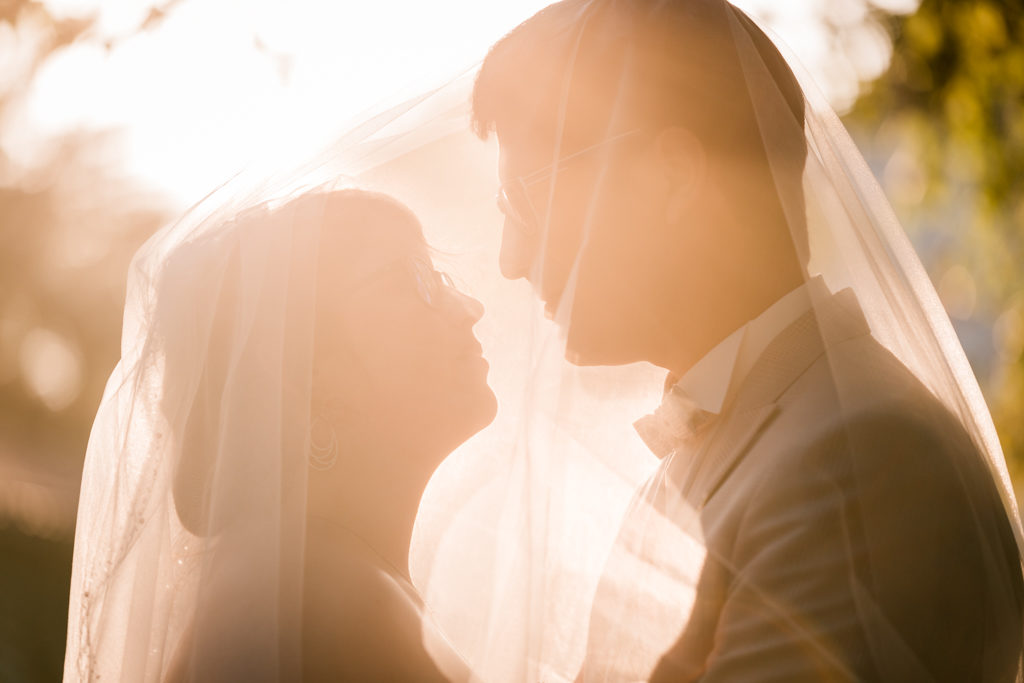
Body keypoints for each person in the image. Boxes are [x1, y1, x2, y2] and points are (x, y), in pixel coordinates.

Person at [471, 0, 1024, 680]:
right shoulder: (724, 445)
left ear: (673, 176)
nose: (509, 257)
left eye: (529, 201)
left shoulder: (859, 462)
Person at [64, 187, 493, 682]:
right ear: (306, 370)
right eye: (407, 280)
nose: (469, 307)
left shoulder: (327, 576)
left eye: (439, 279)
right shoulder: (313, 598)